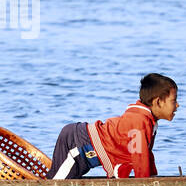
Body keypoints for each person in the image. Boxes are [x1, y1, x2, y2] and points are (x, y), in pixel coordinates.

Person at [47, 73, 178, 179]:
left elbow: (146, 154)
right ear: (158, 102)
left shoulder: (148, 121)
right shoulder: (140, 121)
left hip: (86, 147)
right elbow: (140, 157)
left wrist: (154, 178)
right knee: (55, 185)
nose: (177, 105)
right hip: (78, 143)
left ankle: (120, 170)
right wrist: (145, 185)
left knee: (65, 180)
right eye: (174, 101)